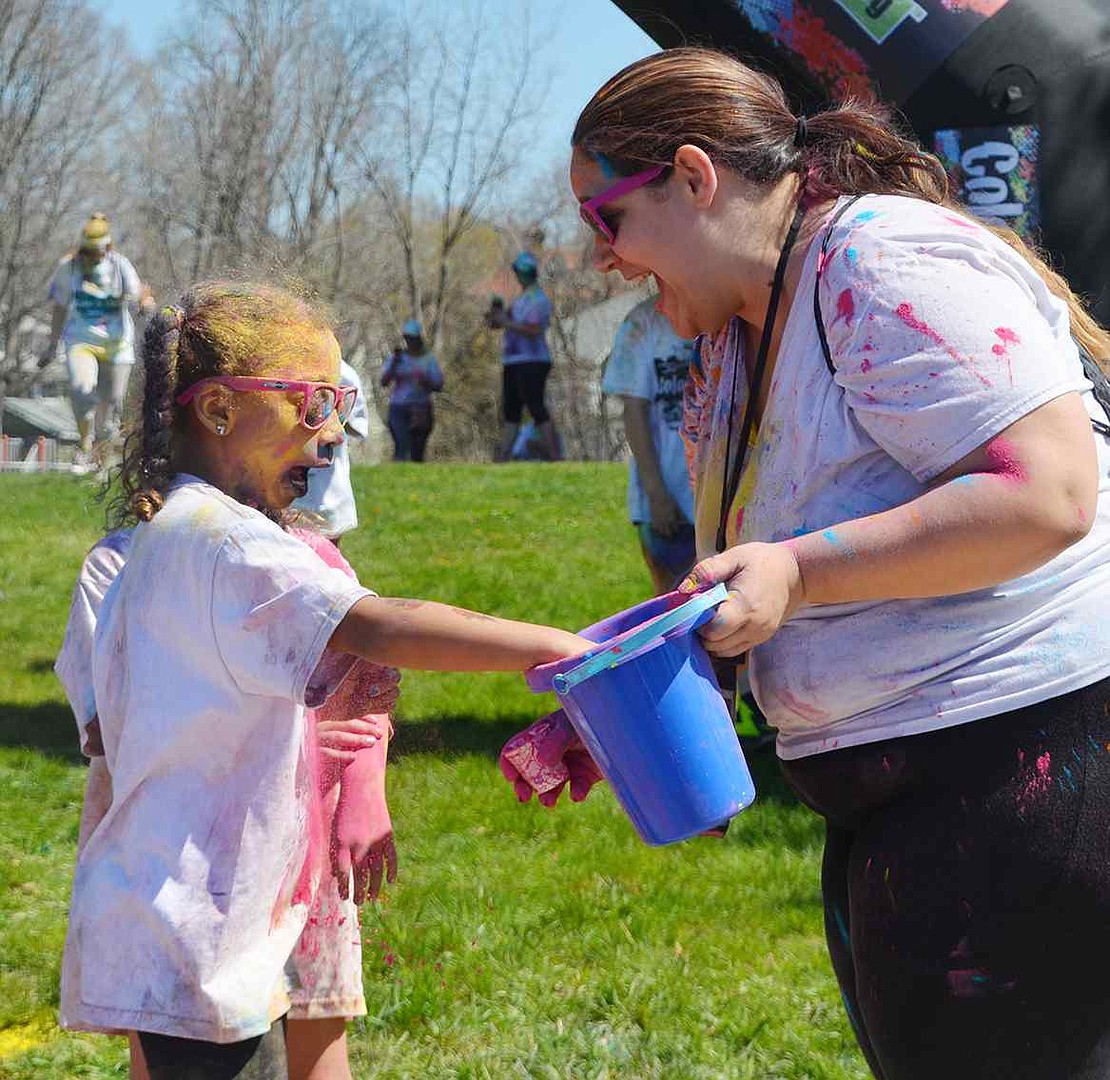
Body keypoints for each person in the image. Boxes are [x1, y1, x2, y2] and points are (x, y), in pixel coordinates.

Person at [509, 47, 1110, 1080]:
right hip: (925, 820)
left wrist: (796, 571)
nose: (600, 258)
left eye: (605, 218)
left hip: (1033, 778)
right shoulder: (742, 333)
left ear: (695, 177)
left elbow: (1047, 490)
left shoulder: (879, 263)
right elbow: (767, 571)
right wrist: (620, 710)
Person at [59, 281, 586, 1078]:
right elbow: (379, 624)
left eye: (338, 401)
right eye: (310, 403)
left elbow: (108, 730)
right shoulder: (226, 541)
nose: (333, 432)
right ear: (219, 412)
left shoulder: (170, 537)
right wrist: (550, 646)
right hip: (201, 935)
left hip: (178, 922)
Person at [56, 527, 396, 1080]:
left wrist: (365, 789)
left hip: (301, 851)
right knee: (175, 1046)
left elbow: (369, 680)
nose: (327, 444)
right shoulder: (123, 564)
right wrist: (299, 742)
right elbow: (106, 729)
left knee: (316, 1029)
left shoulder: (304, 555)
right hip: (180, 868)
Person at [40, 213, 154, 473]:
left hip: (117, 345)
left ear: (108, 247)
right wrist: (52, 343)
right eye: (89, 251)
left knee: (112, 406)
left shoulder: (120, 266)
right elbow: (59, 307)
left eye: (99, 251)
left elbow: (140, 294)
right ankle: (85, 445)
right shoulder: (68, 268)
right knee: (82, 390)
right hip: (81, 339)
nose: (94, 256)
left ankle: (102, 463)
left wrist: (145, 303)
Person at [602, 295, 697, 594]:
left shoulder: (728, 310)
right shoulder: (643, 323)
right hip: (668, 502)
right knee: (673, 608)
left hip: (723, 501)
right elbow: (634, 411)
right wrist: (657, 495)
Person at [488, 252, 561, 462]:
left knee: (536, 407)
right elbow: (498, 323)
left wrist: (506, 322)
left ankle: (555, 455)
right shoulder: (519, 300)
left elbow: (534, 329)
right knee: (511, 411)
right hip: (513, 361)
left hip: (533, 360)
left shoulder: (539, 300)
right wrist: (497, 314)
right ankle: (504, 457)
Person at [291, 359, 369, 545]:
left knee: (327, 561)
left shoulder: (340, 370)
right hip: (287, 497)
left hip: (328, 492)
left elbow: (355, 426)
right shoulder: (276, 363)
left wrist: (331, 408)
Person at [379, 319, 443, 462]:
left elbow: (439, 385)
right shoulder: (398, 358)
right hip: (398, 407)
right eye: (407, 338)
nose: (409, 341)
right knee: (401, 445)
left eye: (412, 338)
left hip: (421, 408)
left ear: (419, 338)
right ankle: (398, 474)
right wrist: (394, 364)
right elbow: (384, 382)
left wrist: (425, 380)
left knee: (417, 450)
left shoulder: (428, 359)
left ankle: (417, 477)